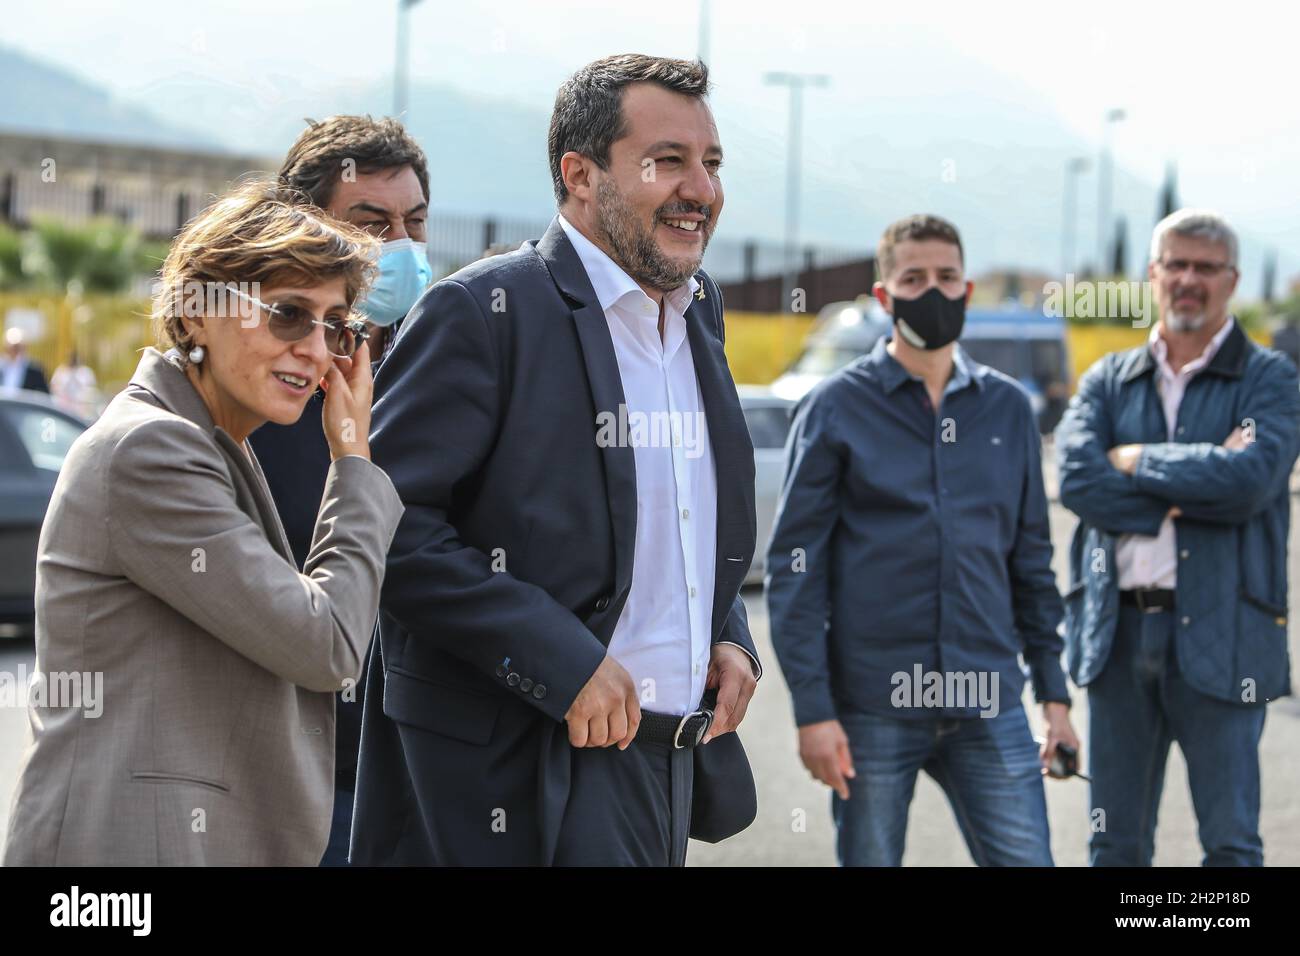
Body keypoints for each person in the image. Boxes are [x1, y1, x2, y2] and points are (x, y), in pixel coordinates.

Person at [350, 54, 761, 867]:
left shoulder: (699, 308)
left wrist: (730, 632)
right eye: (668, 160)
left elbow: (683, 511)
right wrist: (559, 660)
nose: (702, 190)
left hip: (666, 763)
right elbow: (386, 528)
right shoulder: (483, 313)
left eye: (711, 164)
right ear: (580, 174)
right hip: (515, 773)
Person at [2, 180, 403, 866]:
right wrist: (354, 461)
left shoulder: (210, 443)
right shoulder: (150, 449)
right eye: (286, 314)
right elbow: (327, 643)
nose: (315, 348)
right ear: (193, 314)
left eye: (335, 326)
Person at [766, 214, 1079, 867]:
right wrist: (813, 711)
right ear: (885, 297)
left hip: (987, 695)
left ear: (968, 291)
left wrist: (1054, 699)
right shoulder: (833, 410)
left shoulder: (1009, 411)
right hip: (874, 703)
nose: (933, 290)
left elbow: (1031, 564)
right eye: (913, 278)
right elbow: (796, 571)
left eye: (946, 277)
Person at [1055, 209, 1300, 866]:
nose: (1189, 280)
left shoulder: (1269, 378)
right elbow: (1077, 480)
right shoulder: (1108, 378)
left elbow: (1250, 482)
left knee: (1231, 844)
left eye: (1206, 267)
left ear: (1233, 280)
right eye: (1177, 265)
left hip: (1228, 639)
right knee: (1115, 845)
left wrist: (1136, 460)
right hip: (1116, 636)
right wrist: (1196, 481)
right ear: (1153, 274)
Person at [247, 115, 432, 866]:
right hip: (291, 780)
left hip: (417, 774)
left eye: (414, 222)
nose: (402, 247)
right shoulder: (257, 399)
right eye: (372, 222)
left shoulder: (443, 374)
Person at [49, 349, 100, 419]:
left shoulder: (85, 372)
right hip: (64, 406)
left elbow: (91, 389)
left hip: (82, 407)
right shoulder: (61, 371)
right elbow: (54, 387)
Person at [1, 328, 49, 393]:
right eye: (11, 347)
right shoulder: (2, 366)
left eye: (17, 347)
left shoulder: (35, 369)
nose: (13, 350)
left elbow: (43, 393)